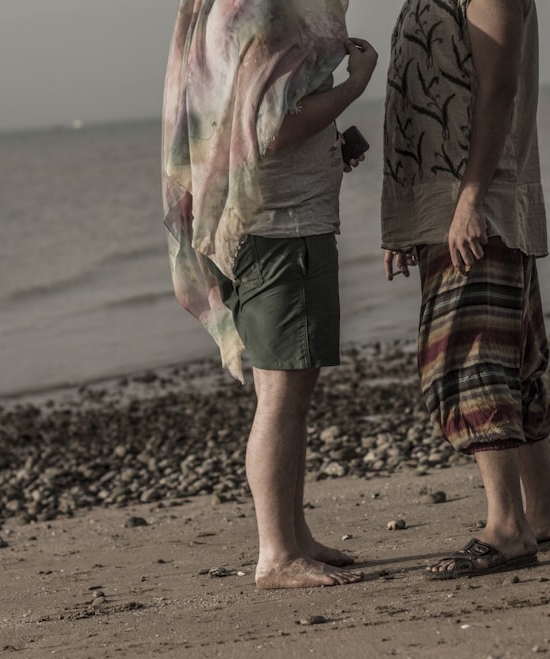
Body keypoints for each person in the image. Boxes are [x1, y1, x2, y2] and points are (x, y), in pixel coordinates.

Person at [161, 0, 377, 589]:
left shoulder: (232, 9)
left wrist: (331, 146)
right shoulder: (277, 11)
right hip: (282, 230)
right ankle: (276, 553)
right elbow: (271, 129)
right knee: (282, 396)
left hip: (251, 220)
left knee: (283, 392)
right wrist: (354, 87)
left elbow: (250, 118)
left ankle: (292, 535)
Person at [381, 0, 550, 578]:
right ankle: (546, 511)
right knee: (514, 358)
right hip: (445, 205)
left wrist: (467, 204)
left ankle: (507, 527)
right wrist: (406, 219)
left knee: (469, 359)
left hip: (475, 205)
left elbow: (498, 92)